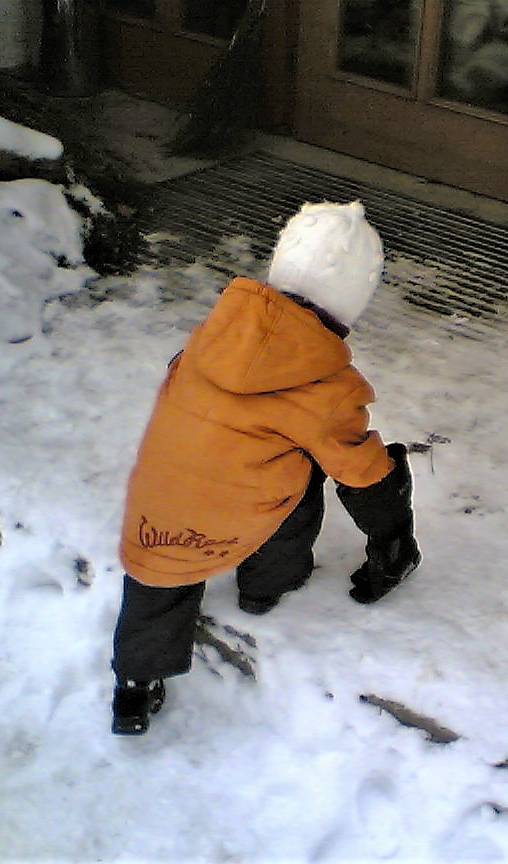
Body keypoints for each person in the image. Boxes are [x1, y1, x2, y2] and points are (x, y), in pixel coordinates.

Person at [110, 201, 421, 736]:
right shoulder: (324, 388)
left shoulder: (213, 339)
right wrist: (393, 537)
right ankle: (266, 584)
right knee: (302, 470)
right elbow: (363, 472)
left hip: (160, 505)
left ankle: (135, 686)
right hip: (245, 506)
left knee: (160, 575)